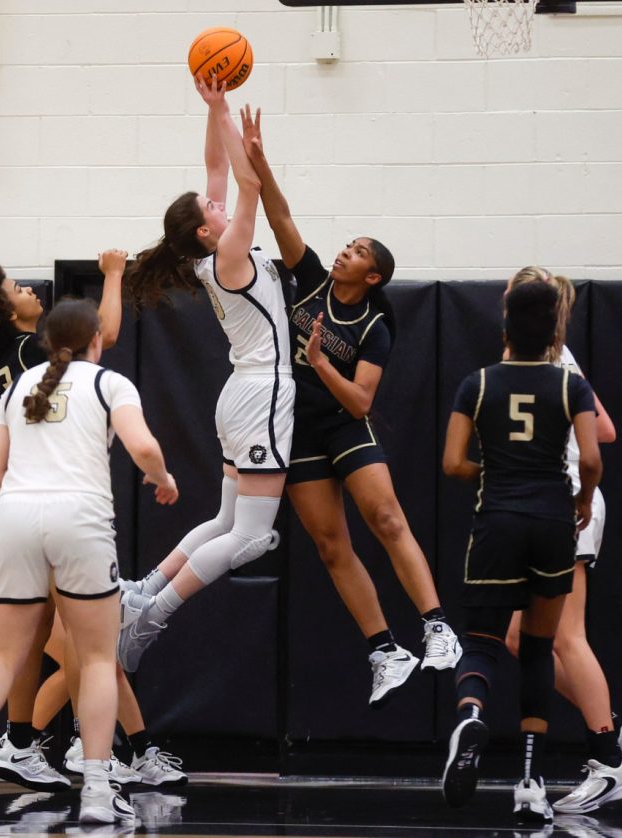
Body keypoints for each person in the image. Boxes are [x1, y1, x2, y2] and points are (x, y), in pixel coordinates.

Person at [226, 104, 459, 706]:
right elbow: (279, 216)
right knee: (331, 546)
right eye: (347, 245)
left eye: (356, 252)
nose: (344, 253)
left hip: (343, 425)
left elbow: (360, 402)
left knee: (386, 520)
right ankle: (385, 650)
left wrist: (322, 362)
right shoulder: (310, 281)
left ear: (374, 275)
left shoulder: (378, 323)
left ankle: (437, 628)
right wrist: (259, 160)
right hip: (295, 430)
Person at [0, 298, 178, 824]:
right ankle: (100, 791)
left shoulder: (19, 385)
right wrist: (163, 479)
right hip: (79, 518)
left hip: (15, 515)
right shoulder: (110, 383)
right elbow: (144, 447)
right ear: (96, 340)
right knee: (98, 658)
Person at [116, 76, 293, 673]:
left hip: (240, 395)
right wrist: (240, 135)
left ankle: (141, 589)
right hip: (262, 392)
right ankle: (149, 617)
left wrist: (215, 109)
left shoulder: (208, 254)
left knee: (225, 521)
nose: (218, 204)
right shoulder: (230, 255)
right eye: (210, 209)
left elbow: (218, 174)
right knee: (251, 538)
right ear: (204, 229)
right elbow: (245, 183)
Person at [441, 281, 605, 824]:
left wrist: (494, 471)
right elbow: (591, 460)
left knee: (484, 643)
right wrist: (581, 498)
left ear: (505, 329)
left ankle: (470, 715)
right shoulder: (570, 386)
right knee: (538, 648)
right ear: (554, 333)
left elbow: (452, 464)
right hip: (553, 524)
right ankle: (531, 785)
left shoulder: (478, 384)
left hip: (497, 523)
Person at [503, 268, 622, 815]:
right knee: (520, 637)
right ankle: (615, 734)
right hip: (553, 503)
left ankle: (611, 762)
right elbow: (604, 427)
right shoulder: (549, 355)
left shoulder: (547, 358)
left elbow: (603, 436)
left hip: (567, 503)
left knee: (567, 638)